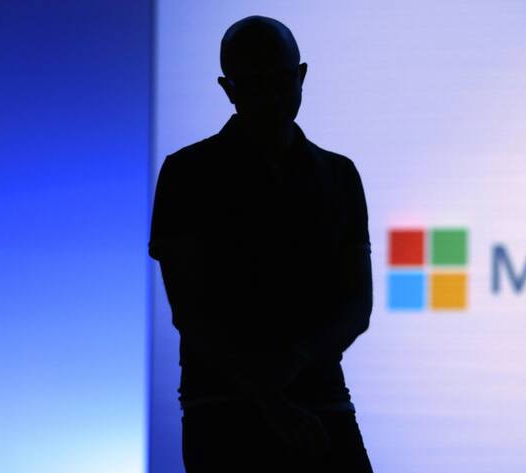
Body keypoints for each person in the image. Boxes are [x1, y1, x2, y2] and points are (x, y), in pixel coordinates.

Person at [148, 15, 374, 472]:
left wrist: (281, 379)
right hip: (233, 407)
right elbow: (191, 312)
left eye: (279, 79)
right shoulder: (185, 174)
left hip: (292, 402)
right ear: (228, 89)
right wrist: (278, 388)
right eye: (254, 83)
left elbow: (357, 305)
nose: (270, 95)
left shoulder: (339, 175)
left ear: (301, 76)